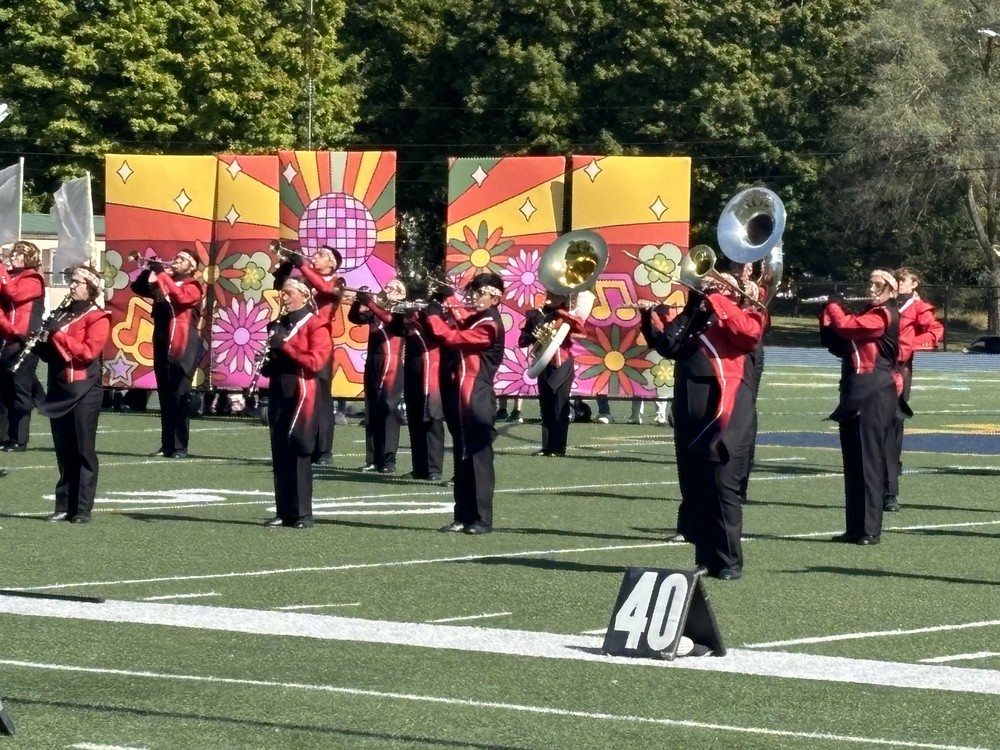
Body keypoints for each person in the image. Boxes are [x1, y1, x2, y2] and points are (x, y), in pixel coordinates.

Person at [641, 275, 764, 579]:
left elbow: (748, 335)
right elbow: (669, 344)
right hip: (691, 409)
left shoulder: (746, 312)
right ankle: (707, 558)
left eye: (718, 284)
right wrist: (689, 307)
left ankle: (730, 561)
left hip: (726, 410)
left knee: (722, 486)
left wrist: (719, 299)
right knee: (697, 486)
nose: (709, 288)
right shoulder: (698, 317)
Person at [819, 270, 900, 546]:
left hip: (875, 393)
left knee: (868, 463)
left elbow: (847, 327)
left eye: (878, 285)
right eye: (871, 283)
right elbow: (837, 342)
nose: (872, 288)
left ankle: (869, 529)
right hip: (854, 391)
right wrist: (826, 315)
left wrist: (834, 307)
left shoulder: (884, 315)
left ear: (892, 290)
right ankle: (854, 527)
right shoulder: (867, 312)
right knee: (853, 464)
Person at [422, 272, 506, 534]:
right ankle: (462, 515)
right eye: (475, 292)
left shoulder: (490, 323)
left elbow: (452, 337)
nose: (475, 297)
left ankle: (482, 519)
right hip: (459, 396)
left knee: (478, 458)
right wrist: (445, 298)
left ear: (495, 297)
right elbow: (460, 319)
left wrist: (433, 313)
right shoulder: (477, 317)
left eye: (480, 293)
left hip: (477, 396)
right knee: (461, 456)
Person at [36, 266, 110, 523]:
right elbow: (51, 354)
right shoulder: (63, 313)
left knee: (82, 450)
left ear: (90, 288)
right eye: (71, 281)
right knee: (64, 450)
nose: (72, 286)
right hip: (59, 388)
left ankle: (81, 510)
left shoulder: (97, 317)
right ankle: (63, 505)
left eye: (78, 282)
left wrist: (57, 335)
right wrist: (41, 341)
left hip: (83, 390)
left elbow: (87, 353)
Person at [260, 278, 333, 528]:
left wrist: (286, 347)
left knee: (299, 449)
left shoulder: (316, 324)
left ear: (303, 295)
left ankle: (302, 513)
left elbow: (316, 362)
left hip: (303, 391)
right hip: (279, 388)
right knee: (279, 449)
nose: (284, 298)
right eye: (282, 294)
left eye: (289, 293)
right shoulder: (279, 324)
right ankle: (284, 511)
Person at [273, 245, 345, 466]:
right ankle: (300, 442)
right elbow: (280, 288)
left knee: (321, 398)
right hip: (295, 340)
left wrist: (302, 264)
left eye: (322, 255)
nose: (315, 256)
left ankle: (324, 451)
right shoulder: (304, 278)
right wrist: (286, 268)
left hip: (317, 343)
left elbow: (324, 289)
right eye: (316, 253)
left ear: (332, 264)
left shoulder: (337, 281)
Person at [130, 251, 205, 458]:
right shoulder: (166, 281)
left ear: (191, 267)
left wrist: (162, 274)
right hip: (163, 342)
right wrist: (149, 270)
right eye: (177, 257)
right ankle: (167, 445)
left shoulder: (193, 285)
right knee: (165, 395)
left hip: (183, 344)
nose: (176, 260)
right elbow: (138, 288)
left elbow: (181, 298)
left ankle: (180, 446)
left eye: (182, 259)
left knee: (179, 395)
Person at [885, 268, 943, 512]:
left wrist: (909, 346)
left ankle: (891, 471)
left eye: (902, 281)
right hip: (879, 365)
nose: (897, 284)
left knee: (895, 419)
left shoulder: (919, 308)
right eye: (895, 280)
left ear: (914, 284)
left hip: (900, 367)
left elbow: (935, 332)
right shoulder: (886, 304)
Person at [349, 278, 406, 473]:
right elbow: (355, 318)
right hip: (373, 361)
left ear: (400, 294)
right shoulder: (376, 311)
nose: (386, 289)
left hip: (391, 362)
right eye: (386, 286)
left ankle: (388, 459)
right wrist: (359, 301)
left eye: (392, 288)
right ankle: (372, 458)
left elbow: (391, 321)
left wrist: (371, 303)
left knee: (388, 409)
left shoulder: (401, 310)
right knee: (372, 409)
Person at [518, 291, 585, 456]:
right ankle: (547, 446)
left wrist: (561, 314)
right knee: (546, 406)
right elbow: (522, 341)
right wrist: (535, 334)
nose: (549, 297)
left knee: (559, 405)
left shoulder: (567, 314)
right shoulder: (536, 314)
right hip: (542, 363)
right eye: (549, 293)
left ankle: (558, 447)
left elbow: (581, 330)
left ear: (563, 298)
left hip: (562, 363)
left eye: (555, 295)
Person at [0, 241, 46, 452]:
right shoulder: (14, 276)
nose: (13, 258)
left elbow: (13, 294)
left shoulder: (33, 279)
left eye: (18, 255)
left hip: (26, 339)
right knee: (5, 390)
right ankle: (4, 436)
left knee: (20, 390)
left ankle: (20, 438)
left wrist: (1, 270)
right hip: (9, 338)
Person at [397, 284, 446, 481]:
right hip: (412, 367)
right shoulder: (410, 314)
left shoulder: (436, 313)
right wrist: (402, 314)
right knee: (415, 417)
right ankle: (419, 467)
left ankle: (433, 468)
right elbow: (396, 328)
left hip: (430, 369)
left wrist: (423, 314)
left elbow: (436, 334)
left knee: (432, 418)